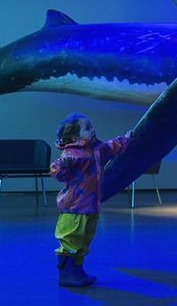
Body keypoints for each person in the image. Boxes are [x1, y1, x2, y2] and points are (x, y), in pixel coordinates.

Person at [51, 111, 127, 288]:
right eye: (87, 128)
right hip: (74, 207)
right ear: (76, 135)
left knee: (84, 240)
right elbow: (58, 172)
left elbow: (110, 148)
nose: (92, 130)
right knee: (71, 239)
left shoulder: (94, 149)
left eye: (91, 127)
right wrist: (65, 163)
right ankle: (66, 274)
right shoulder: (72, 154)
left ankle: (78, 271)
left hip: (90, 205)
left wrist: (126, 139)